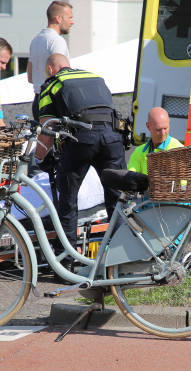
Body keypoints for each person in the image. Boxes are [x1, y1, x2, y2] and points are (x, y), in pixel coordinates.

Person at [34, 53, 125, 271]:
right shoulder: (96, 77)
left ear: (50, 69)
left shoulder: (52, 83)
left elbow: (47, 129)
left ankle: (65, 264)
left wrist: (37, 158)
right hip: (113, 138)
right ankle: (123, 260)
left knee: (68, 200)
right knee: (117, 201)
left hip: (82, 140)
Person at [28, 1, 74, 121]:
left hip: (37, 101)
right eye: (70, 18)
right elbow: (61, 75)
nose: (72, 22)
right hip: (52, 101)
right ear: (58, 18)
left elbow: (30, 77)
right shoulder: (57, 41)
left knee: (42, 138)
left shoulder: (36, 40)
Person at [128, 107, 183, 174]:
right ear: (148, 126)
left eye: (165, 128)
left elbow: (184, 183)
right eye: (158, 129)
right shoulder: (138, 152)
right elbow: (131, 181)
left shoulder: (179, 151)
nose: (163, 133)